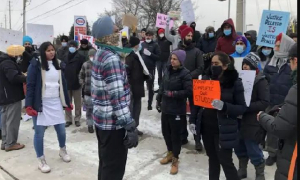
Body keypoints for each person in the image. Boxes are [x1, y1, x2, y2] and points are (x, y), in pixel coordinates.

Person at [92, 16, 138, 180]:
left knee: (106, 165)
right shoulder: (111, 59)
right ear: (107, 35)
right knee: (113, 170)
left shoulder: (101, 53)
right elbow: (117, 98)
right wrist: (130, 126)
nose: (118, 31)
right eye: (115, 30)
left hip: (102, 123)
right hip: (113, 126)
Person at [190, 52, 247, 180]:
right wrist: (193, 120)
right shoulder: (205, 80)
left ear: (225, 66)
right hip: (206, 128)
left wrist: (225, 106)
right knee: (212, 160)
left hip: (223, 130)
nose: (213, 66)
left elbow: (241, 108)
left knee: (226, 161)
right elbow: (196, 103)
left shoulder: (235, 83)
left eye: (217, 64)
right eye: (212, 64)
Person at [25, 42, 73, 173]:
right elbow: (30, 86)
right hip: (41, 104)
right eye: (48, 50)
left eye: (53, 50)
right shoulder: (35, 65)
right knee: (39, 133)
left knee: (61, 130)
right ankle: (41, 159)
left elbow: (63, 84)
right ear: (42, 52)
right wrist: (28, 105)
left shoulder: (58, 64)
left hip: (56, 102)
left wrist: (67, 102)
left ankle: (62, 151)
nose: (51, 52)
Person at [257, 43, 297, 180]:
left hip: (293, 160)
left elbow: (280, 128)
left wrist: (263, 117)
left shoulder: (296, 89)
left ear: (295, 60)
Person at [156, 49, 192, 175]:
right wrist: (158, 99)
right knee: (166, 133)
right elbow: (162, 86)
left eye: (175, 59)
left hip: (177, 109)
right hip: (166, 108)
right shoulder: (167, 70)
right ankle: (170, 153)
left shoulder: (185, 74)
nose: (172, 61)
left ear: (181, 61)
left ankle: (176, 159)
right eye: (171, 58)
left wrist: (173, 94)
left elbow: (188, 91)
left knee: (175, 136)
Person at [234, 53, 269, 180]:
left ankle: (260, 173)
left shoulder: (261, 80)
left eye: (248, 64)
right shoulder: (238, 78)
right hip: (238, 119)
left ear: (254, 66)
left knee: (253, 148)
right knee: (239, 146)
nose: (245, 66)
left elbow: (264, 102)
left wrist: (247, 106)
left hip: (252, 120)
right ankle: (242, 168)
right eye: (244, 64)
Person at [263, 33, 295, 166]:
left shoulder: (291, 64)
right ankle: (272, 153)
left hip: (285, 103)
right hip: (271, 101)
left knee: (283, 130)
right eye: (275, 46)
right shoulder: (271, 62)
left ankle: (281, 153)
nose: (275, 48)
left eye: (278, 46)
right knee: (271, 130)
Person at [178, 24, 204, 149]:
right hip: (179, 85)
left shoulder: (197, 51)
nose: (189, 37)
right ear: (183, 36)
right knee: (180, 112)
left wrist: (188, 76)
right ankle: (182, 136)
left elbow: (200, 68)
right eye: (187, 35)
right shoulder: (177, 51)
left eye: (191, 35)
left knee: (194, 113)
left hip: (194, 85)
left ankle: (197, 139)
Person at [0, 45, 27, 151]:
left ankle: (5, 142)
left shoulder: (3, 61)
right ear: (14, 54)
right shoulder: (8, 63)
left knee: (5, 119)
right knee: (12, 120)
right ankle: (11, 143)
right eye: (19, 53)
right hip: (11, 95)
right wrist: (25, 77)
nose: (20, 55)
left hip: (4, 95)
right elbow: (13, 77)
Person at [125, 36, 151, 136]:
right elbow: (127, 73)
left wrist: (145, 76)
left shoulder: (137, 55)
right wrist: (129, 87)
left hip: (138, 86)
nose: (140, 45)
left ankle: (134, 127)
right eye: (138, 44)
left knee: (137, 109)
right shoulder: (129, 57)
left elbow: (139, 70)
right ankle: (130, 129)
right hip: (132, 87)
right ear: (135, 45)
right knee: (131, 109)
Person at [64, 40, 86, 127]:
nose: (71, 47)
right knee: (67, 102)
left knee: (77, 103)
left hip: (77, 83)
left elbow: (83, 70)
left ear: (76, 47)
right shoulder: (65, 56)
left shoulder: (80, 57)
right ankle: (68, 119)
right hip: (67, 82)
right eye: (70, 46)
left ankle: (77, 118)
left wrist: (81, 80)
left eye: (73, 46)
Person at [141, 31, 161, 110]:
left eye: (150, 35)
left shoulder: (155, 45)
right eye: (147, 35)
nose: (148, 37)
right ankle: (138, 101)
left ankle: (149, 104)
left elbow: (158, 57)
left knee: (150, 87)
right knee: (140, 86)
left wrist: (150, 54)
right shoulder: (142, 45)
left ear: (152, 36)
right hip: (142, 68)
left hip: (150, 68)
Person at [79, 48, 96, 133]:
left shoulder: (99, 65)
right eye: (90, 55)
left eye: (93, 55)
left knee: (97, 110)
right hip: (87, 91)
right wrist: (83, 83)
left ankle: (97, 124)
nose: (92, 57)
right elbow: (81, 75)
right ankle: (90, 125)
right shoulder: (85, 65)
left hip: (97, 92)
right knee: (89, 109)